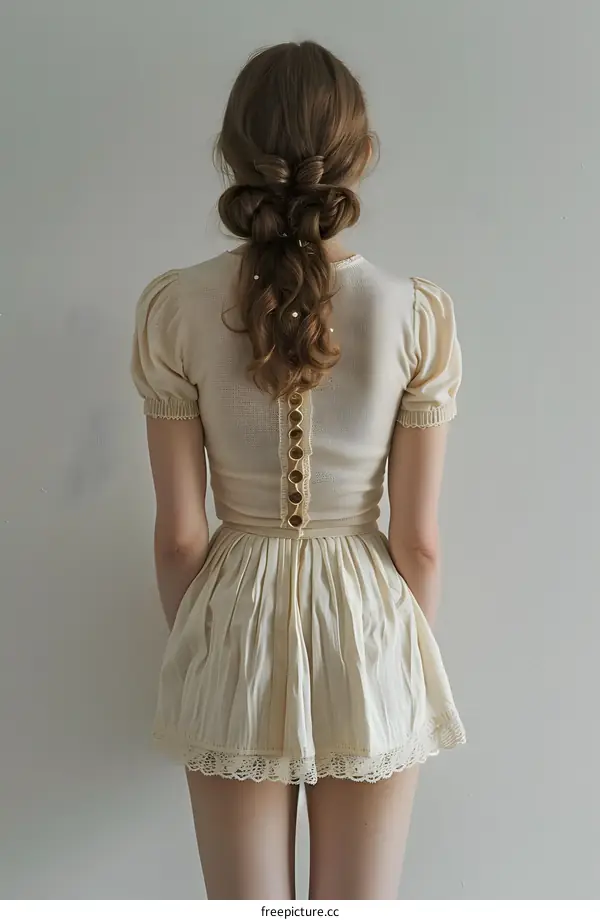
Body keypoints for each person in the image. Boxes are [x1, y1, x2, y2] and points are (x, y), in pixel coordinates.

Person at [131, 40, 465, 900]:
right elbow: (420, 544)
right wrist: (397, 654)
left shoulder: (175, 307)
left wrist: (203, 643)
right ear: (360, 154)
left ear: (233, 153)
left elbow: (179, 538)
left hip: (233, 615)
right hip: (368, 618)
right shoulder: (415, 313)